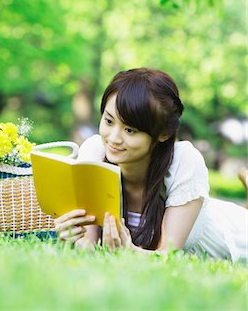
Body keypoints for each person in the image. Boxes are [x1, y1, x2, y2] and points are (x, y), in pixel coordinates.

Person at [54, 68, 247, 262]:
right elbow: (88, 251)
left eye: (130, 130)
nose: (113, 138)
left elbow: (167, 256)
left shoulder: (183, 161)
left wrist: (128, 251)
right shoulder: (94, 152)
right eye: (109, 121)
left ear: (163, 134)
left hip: (237, 234)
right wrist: (72, 238)